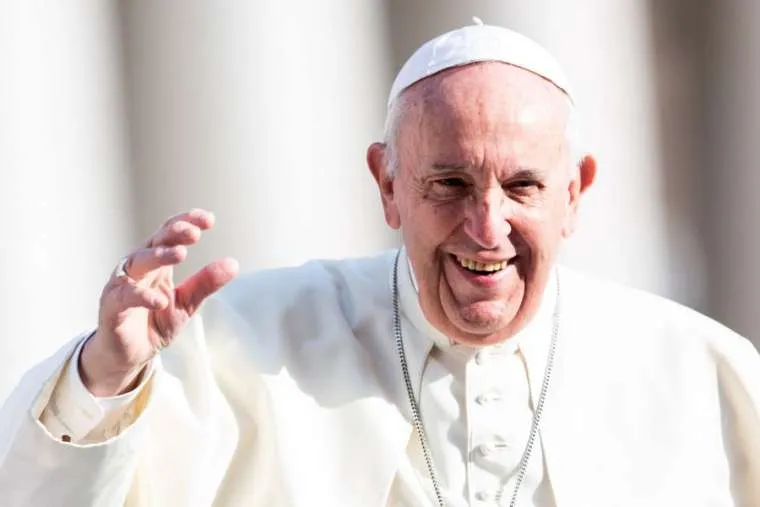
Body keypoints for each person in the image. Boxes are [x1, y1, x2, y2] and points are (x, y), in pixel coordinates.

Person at [1, 21, 759, 507]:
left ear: (575, 191)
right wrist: (106, 375)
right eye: (450, 183)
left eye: (523, 186)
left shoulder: (703, 370)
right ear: (388, 185)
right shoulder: (243, 342)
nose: (486, 226)